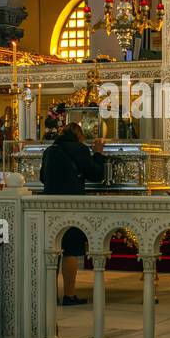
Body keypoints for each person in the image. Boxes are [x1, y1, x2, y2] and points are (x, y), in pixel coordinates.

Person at [40, 122, 106, 306]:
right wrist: (98, 154)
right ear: (79, 136)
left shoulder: (50, 151)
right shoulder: (81, 149)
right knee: (70, 250)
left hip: (49, 206)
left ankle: (49, 294)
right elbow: (96, 174)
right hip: (71, 206)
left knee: (52, 251)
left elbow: (42, 178)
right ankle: (69, 295)